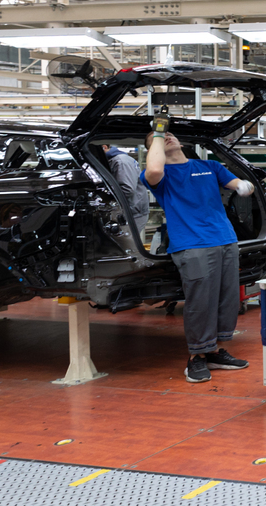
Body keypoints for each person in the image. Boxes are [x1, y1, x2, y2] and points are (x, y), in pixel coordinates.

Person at [141, 114, 256, 383]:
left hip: (225, 239)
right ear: (153, 149)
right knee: (201, 302)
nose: (167, 137)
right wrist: (158, 131)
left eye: (170, 134)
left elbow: (237, 184)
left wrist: (245, 186)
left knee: (227, 299)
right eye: (158, 139)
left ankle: (214, 351)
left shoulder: (209, 166)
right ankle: (196, 356)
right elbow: (154, 169)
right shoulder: (160, 176)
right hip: (192, 244)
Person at [102, 144, 150, 234]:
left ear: (104, 147)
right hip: (128, 212)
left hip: (133, 214)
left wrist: (104, 198)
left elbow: (127, 189)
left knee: (126, 241)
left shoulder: (121, 161)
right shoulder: (113, 160)